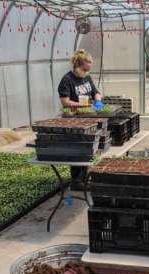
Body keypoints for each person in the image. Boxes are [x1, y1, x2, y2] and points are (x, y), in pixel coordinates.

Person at [57, 49, 103, 190]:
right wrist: (84, 104)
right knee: (77, 150)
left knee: (87, 148)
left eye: (89, 70)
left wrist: (98, 100)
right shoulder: (67, 80)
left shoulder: (87, 77)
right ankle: (77, 181)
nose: (87, 72)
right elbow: (65, 102)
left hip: (87, 118)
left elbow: (95, 92)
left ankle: (85, 177)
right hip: (73, 120)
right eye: (85, 69)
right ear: (77, 66)